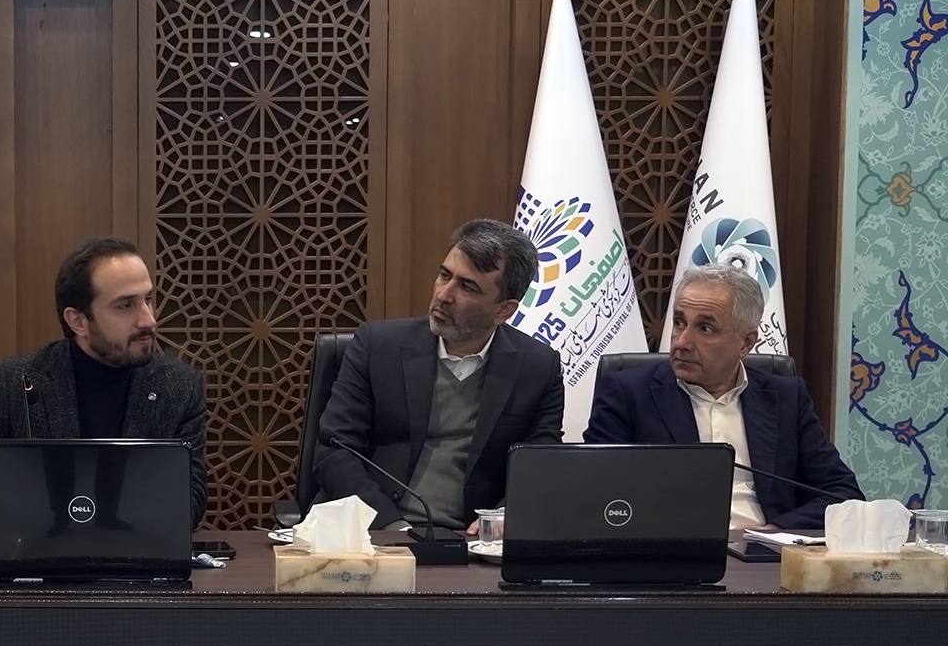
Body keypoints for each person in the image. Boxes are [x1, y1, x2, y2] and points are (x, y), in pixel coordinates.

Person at [0, 237, 207, 527]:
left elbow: (190, 497)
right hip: (33, 550)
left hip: (136, 550)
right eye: (126, 305)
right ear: (78, 321)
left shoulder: (179, 388)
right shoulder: (14, 384)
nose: (148, 320)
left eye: (148, 299)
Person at [315, 219, 565, 530]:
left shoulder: (538, 368)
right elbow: (334, 451)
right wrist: (392, 527)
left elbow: (540, 463)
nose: (444, 295)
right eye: (445, 275)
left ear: (504, 310)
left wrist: (502, 517)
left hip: (469, 540)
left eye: (467, 287)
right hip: (371, 531)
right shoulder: (377, 346)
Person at [584, 264, 862, 530]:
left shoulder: (786, 397)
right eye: (679, 323)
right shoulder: (627, 394)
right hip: (673, 551)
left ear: (746, 343)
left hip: (765, 552)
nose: (681, 341)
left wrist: (775, 530)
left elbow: (842, 492)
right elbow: (596, 492)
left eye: (705, 328)